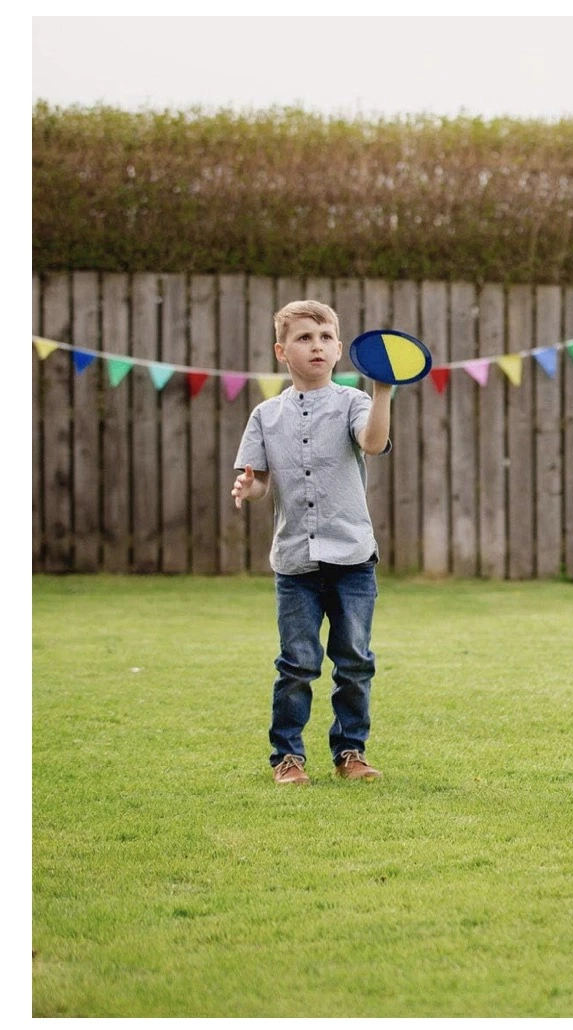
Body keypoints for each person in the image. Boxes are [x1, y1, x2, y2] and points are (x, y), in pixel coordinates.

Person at [232, 300, 393, 786]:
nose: (316, 346)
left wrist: (382, 393)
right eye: (304, 338)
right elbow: (259, 480)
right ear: (282, 351)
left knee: (354, 662)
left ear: (340, 349)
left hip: (352, 560)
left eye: (325, 338)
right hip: (295, 563)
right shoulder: (265, 415)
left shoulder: (354, 403)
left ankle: (350, 752)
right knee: (297, 664)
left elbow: (371, 443)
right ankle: (287, 757)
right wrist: (248, 487)